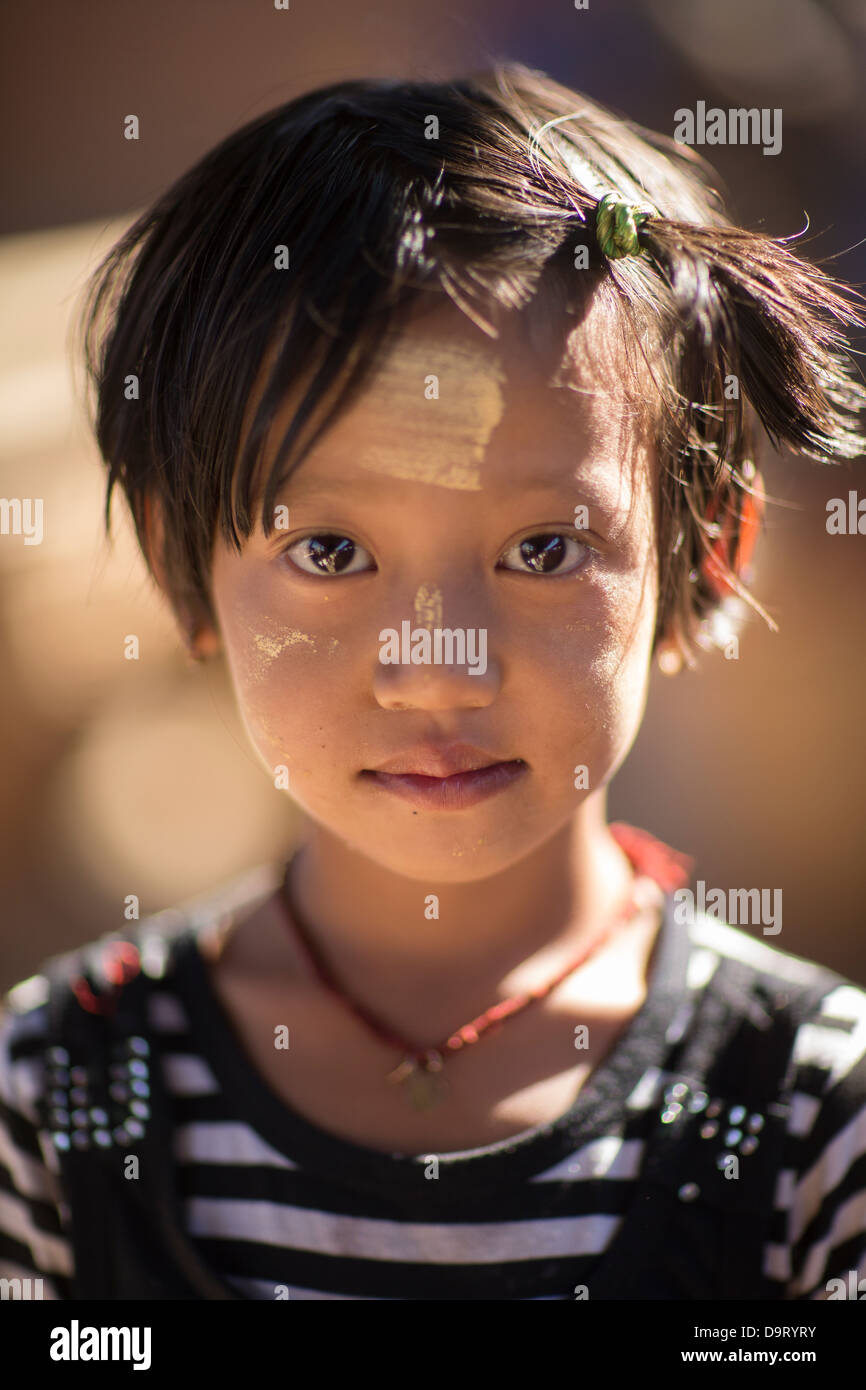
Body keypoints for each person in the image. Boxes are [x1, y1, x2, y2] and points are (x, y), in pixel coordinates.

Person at [1, 61, 865, 1302]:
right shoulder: (57, 1095)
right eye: (331, 553)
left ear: (704, 555)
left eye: (541, 550)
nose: (433, 669)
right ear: (181, 570)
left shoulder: (811, 1112)